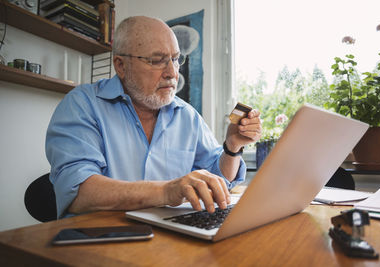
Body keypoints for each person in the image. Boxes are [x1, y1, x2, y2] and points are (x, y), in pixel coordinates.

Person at [46, 16, 262, 218]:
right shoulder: (82, 104)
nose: (172, 72)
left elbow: (219, 179)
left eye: (176, 59)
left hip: (170, 239)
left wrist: (232, 147)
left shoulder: (187, 116)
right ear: (121, 66)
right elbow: (79, 193)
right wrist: (168, 190)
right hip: (99, 240)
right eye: (157, 60)